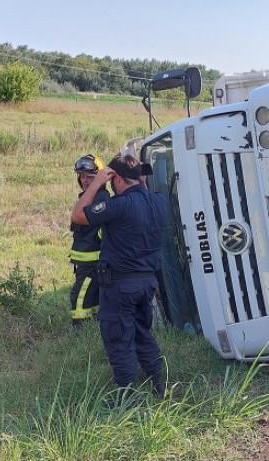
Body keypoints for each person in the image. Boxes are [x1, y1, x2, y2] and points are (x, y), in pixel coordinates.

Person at [70, 155, 168, 397]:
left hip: (121, 283)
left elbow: (78, 215)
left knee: (118, 338)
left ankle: (125, 396)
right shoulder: (159, 202)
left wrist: (96, 183)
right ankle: (159, 384)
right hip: (148, 281)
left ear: (118, 179)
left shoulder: (120, 204)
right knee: (142, 332)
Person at [69, 155, 110, 327]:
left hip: (92, 262)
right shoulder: (90, 197)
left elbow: (79, 218)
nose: (85, 180)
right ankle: (91, 326)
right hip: (86, 261)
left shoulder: (101, 198)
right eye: (82, 176)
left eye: (90, 177)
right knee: (89, 297)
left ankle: (80, 331)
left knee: (80, 298)